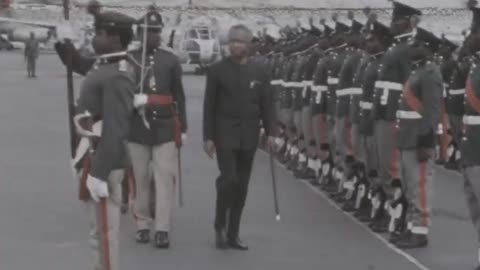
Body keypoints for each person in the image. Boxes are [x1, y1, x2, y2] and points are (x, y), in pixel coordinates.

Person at [73, 11, 136, 270]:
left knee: (105, 235)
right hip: (92, 152)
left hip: (102, 160)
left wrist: (98, 172)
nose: (95, 38)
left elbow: (116, 127)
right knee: (96, 234)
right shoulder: (106, 66)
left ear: (114, 38)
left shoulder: (117, 75)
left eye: (100, 34)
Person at [203, 24, 275, 250]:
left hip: (249, 136)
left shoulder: (260, 71)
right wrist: (208, 137)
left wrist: (272, 132)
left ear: (250, 44)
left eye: (240, 41)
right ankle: (219, 224)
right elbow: (209, 106)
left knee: (242, 186)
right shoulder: (217, 70)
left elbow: (267, 104)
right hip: (225, 134)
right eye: (232, 41)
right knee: (229, 179)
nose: (234, 45)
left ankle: (233, 233)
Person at [128, 9, 187, 249]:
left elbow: (178, 95)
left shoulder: (170, 59)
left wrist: (182, 127)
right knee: (140, 179)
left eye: (156, 31)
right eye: (149, 32)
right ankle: (142, 224)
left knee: (164, 178)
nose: (154, 36)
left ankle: (162, 228)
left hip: (164, 127)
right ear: (139, 33)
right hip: (136, 128)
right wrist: (132, 99)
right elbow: (120, 91)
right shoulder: (130, 58)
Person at [393, 29, 443, 249]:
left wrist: (426, 141)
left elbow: (432, 111)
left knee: (419, 186)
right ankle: (412, 228)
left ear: (427, 48)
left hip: (418, 140)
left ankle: (420, 232)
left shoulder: (431, 73)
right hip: (406, 138)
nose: (412, 49)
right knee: (409, 186)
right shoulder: (418, 71)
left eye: (417, 45)